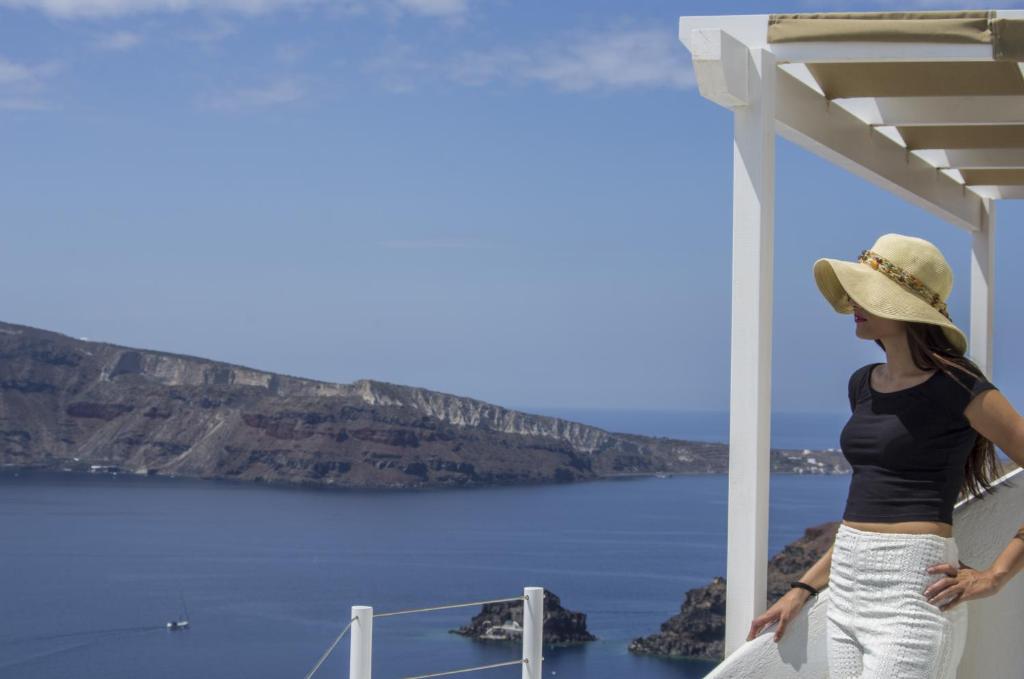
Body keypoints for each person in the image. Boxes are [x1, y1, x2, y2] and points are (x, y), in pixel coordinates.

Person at [745, 233, 1024, 678]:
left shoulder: (959, 386)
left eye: (868, 293)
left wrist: (996, 575)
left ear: (905, 309)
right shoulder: (862, 384)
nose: (854, 303)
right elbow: (867, 506)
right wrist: (801, 589)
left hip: (913, 590)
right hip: (846, 587)